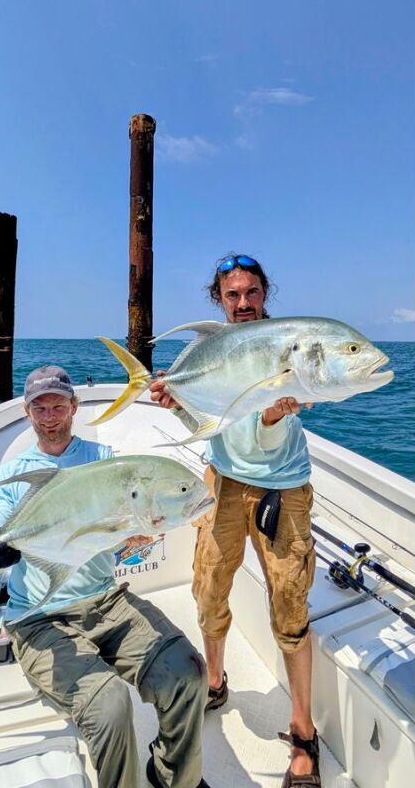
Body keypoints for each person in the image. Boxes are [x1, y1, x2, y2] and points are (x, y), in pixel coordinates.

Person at [0, 365, 210, 788]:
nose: (50, 417)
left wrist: (135, 532)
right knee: (110, 706)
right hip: (39, 618)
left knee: (189, 672)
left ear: (74, 407)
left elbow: (120, 525)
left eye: (58, 406)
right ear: (27, 413)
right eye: (40, 408)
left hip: (107, 601)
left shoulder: (103, 460)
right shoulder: (15, 473)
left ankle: (174, 777)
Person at [150, 254, 322, 787]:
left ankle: (303, 731)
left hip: (281, 486)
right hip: (222, 482)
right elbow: (204, 419)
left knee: (289, 603)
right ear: (219, 300)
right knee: (208, 588)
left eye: (251, 292)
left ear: (265, 293)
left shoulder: (286, 346)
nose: (243, 303)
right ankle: (215, 681)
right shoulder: (207, 350)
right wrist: (174, 403)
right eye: (232, 295)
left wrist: (272, 417)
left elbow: (270, 439)